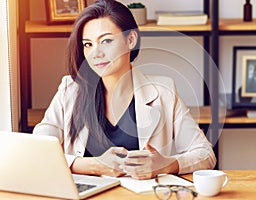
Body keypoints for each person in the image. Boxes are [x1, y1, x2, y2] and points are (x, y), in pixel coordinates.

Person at [33, 0, 216, 180]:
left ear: (130, 40)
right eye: (88, 44)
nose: (96, 53)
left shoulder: (163, 92)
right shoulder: (70, 90)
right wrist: (95, 166)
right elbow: (39, 150)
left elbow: (205, 154)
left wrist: (167, 164)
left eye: (106, 41)